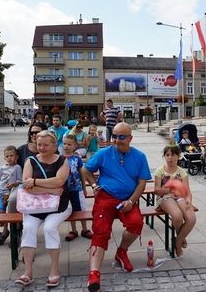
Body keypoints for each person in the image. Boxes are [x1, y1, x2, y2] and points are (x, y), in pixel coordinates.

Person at [82, 122, 152, 292]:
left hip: (128, 198)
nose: (117, 140)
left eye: (121, 137)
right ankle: (94, 273)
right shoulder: (103, 153)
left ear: (130, 138)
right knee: (101, 231)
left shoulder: (140, 156)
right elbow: (85, 169)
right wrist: (93, 185)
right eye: (114, 136)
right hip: (106, 196)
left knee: (136, 224)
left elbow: (142, 183)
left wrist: (132, 201)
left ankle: (121, 251)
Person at [15, 131, 71, 288]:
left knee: (49, 228)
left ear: (55, 146)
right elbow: (27, 187)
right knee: (28, 229)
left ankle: (54, 270)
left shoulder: (62, 161)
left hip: (59, 206)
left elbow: (60, 181)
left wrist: (35, 181)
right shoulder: (30, 161)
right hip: (34, 206)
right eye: (39, 144)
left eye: (46, 145)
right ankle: (28, 272)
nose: (42, 147)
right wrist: (51, 188)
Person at [154, 145, 196, 257]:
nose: (170, 158)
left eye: (173, 155)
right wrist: (167, 188)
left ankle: (178, 240)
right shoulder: (160, 171)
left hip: (180, 197)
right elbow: (156, 191)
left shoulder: (182, 172)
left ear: (178, 156)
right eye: (167, 155)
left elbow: (187, 192)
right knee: (177, 216)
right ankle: (180, 240)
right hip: (165, 197)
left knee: (191, 219)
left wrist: (188, 201)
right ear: (164, 157)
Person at [7, 122, 48, 213]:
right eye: (32, 133)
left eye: (37, 133)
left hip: (44, 184)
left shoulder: (50, 150)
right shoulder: (21, 150)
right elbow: (12, 168)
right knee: (13, 200)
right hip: (24, 184)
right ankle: (14, 224)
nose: (34, 135)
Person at [61, 134, 93, 241]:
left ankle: (85, 229)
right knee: (70, 210)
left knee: (81, 209)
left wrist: (84, 188)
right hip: (65, 190)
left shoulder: (77, 158)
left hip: (77, 189)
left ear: (75, 146)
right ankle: (73, 230)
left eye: (69, 144)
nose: (66, 146)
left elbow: (81, 173)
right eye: (64, 144)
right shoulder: (59, 158)